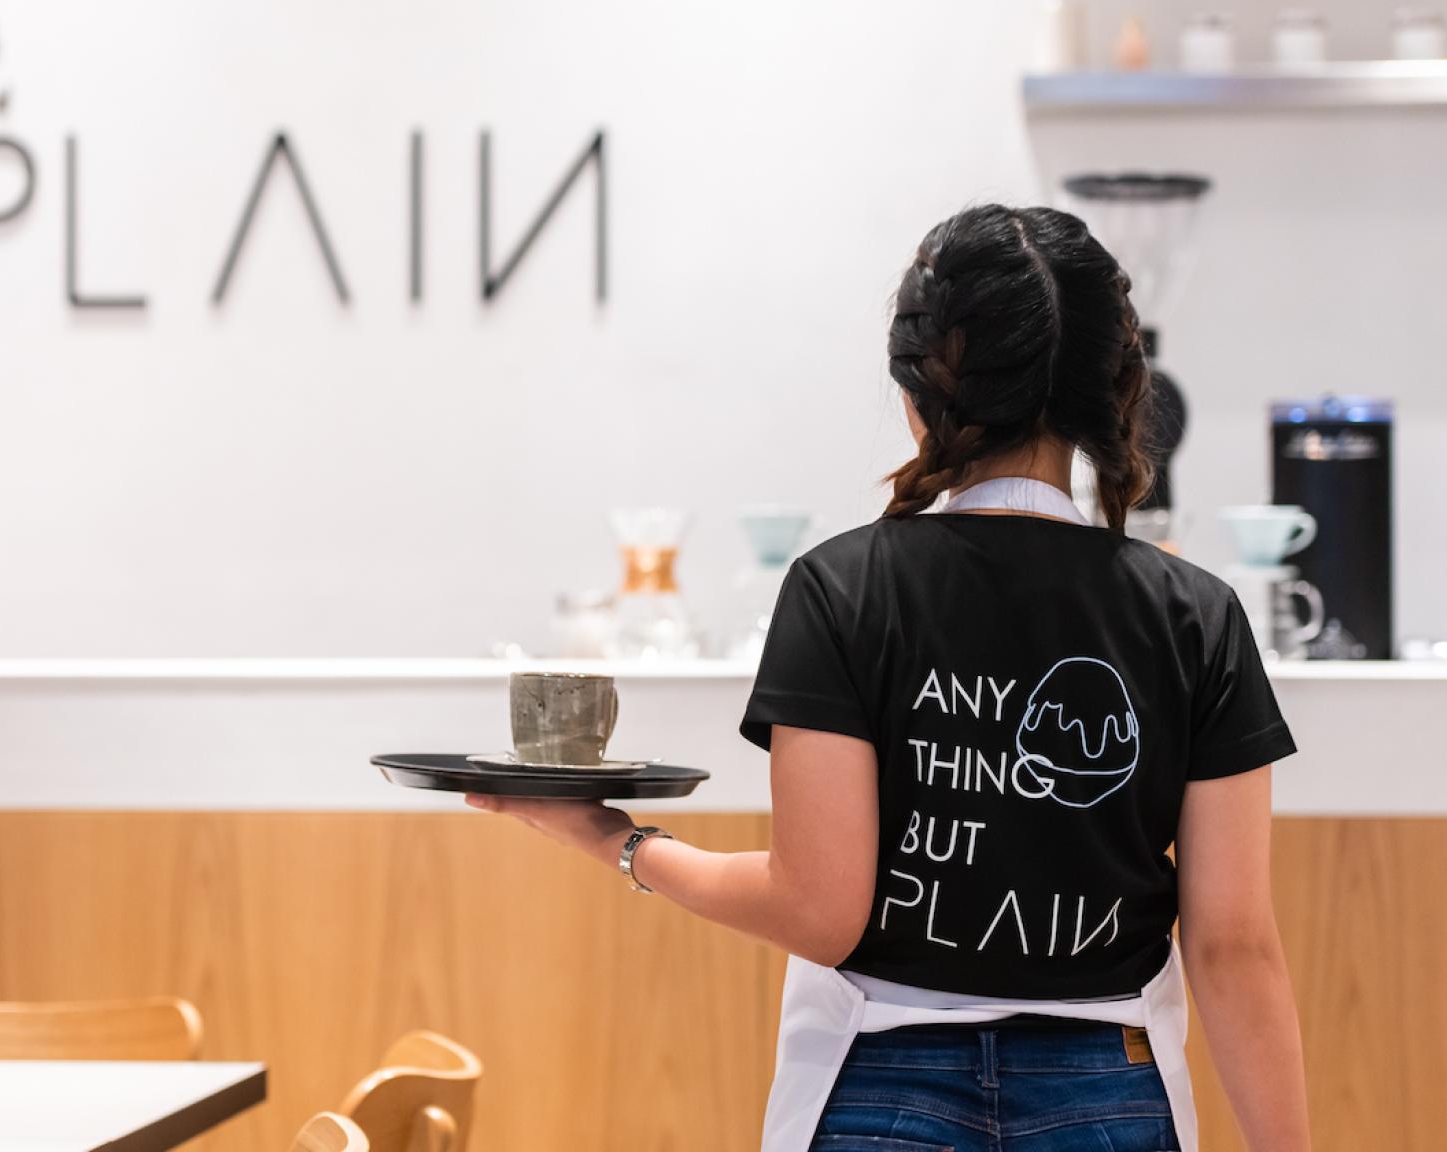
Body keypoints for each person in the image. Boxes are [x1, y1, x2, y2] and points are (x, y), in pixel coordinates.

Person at [467, 204, 1309, 1152]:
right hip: (1110, 1095)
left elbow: (818, 911)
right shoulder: (1196, 615)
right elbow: (1233, 947)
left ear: (917, 394)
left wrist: (615, 839)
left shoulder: (842, 587)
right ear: (1112, 390)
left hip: (877, 1089)